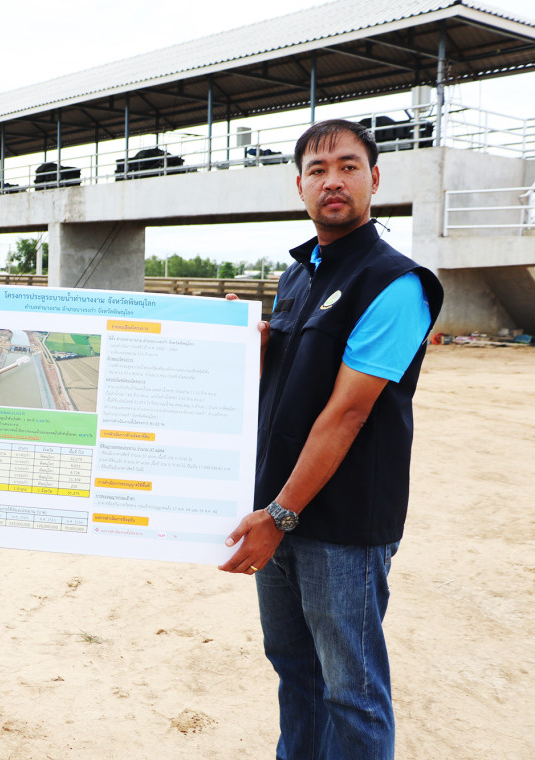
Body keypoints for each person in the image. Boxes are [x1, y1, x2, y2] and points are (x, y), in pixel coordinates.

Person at [220, 119, 443, 759]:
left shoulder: (395, 283)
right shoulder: (298, 275)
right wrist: (251, 349)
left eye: (348, 166)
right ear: (300, 187)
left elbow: (346, 414)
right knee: (295, 672)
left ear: (375, 179)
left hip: (339, 526)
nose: (333, 181)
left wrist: (279, 516)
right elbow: (293, 384)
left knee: (352, 692)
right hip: (276, 510)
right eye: (318, 170)